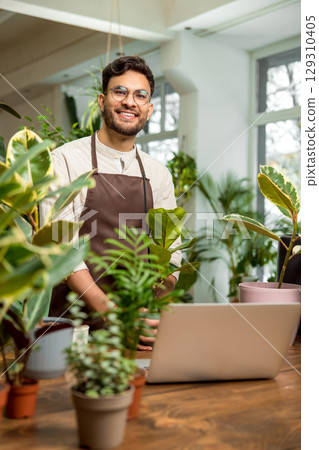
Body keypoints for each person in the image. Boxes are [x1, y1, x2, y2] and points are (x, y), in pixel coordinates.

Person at [40, 55, 181, 349]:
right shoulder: (65, 160)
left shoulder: (158, 173)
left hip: (136, 327)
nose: (130, 101)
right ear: (103, 101)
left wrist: (151, 312)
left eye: (140, 95)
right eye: (120, 92)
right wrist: (110, 312)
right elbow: (59, 244)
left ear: (149, 109)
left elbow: (170, 250)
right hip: (71, 324)